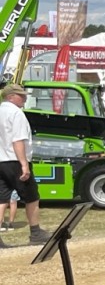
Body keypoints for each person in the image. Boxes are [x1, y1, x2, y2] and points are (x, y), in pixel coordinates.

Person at [0, 83, 47, 247]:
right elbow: (17, 140)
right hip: (15, 160)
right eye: (21, 95)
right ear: (10, 96)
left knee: (1, 199)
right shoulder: (16, 113)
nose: (25, 98)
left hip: (0, 160)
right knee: (32, 197)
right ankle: (36, 233)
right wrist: (24, 165)